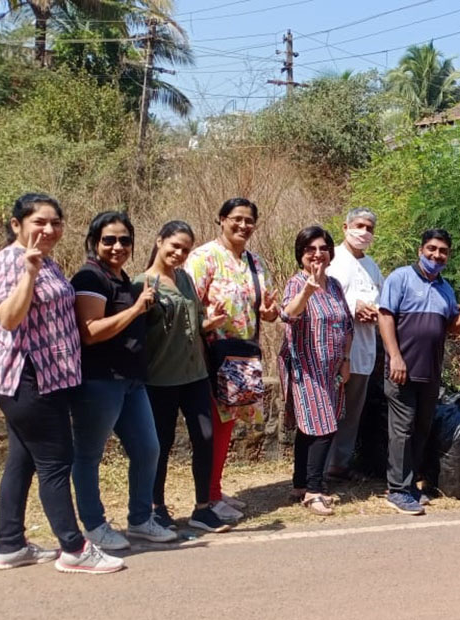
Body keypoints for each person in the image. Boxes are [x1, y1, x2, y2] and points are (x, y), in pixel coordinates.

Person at [0, 193, 123, 574]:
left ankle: (10, 544)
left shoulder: (49, 263)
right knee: (56, 462)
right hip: (27, 377)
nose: (48, 229)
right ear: (17, 225)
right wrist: (28, 272)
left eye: (55, 223)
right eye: (39, 222)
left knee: (23, 459)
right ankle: (74, 548)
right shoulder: (10, 262)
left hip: (48, 377)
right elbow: (9, 319)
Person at [69, 212, 177, 549]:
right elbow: (89, 332)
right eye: (109, 239)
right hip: (100, 381)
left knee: (148, 449)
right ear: (95, 241)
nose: (118, 246)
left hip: (131, 381)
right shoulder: (90, 277)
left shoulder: (120, 277)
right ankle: (95, 524)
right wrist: (135, 310)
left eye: (124, 240)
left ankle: (140, 520)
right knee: (88, 455)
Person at [378, 229, 460, 515]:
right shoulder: (400, 278)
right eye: (431, 248)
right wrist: (395, 357)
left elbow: (452, 327)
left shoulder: (446, 289)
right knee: (401, 430)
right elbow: (385, 315)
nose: (436, 255)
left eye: (442, 251)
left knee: (420, 429)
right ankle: (397, 489)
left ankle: (411, 484)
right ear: (420, 250)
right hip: (402, 369)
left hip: (430, 372)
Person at [185, 197, 280, 523]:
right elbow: (187, 308)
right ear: (221, 219)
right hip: (210, 356)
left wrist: (269, 313)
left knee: (227, 425)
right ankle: (207, 497)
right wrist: (205, 323)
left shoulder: (255, 262)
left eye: (249, 220)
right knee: (213, 426)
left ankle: (215, 489)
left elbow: (267, 309)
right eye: (236, 219)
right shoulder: (203, 258)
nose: (242, 226)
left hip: (242, 359)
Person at [136, 220, 230, 534]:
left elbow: (192, 325)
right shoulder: (143, 284)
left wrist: (211, 322)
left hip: (194, 375)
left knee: (205, 438)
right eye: (174, 245)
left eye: (185, 249)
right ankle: (156, 507)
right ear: (159, 241)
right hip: (160, 379)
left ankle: (202, 509)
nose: (178, 253)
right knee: (159, 446)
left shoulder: (186, 280)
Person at [279, 226, 354, 515]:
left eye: (323, 248)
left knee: (311, 428)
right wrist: (308, 291)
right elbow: (288, 314)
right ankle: (314, 490)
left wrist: (345, 359)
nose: (317, 254)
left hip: (331, 369)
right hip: (305, 368)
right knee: (323, 427)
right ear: (301, 254)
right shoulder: (297, 283)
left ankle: (299, 484)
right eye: (310, 249)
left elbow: (347, 325)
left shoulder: (334, 285)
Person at [325, 207, 384, 487]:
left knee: (351, 412)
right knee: (327, 408)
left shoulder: (372, 266)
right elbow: (324, 296)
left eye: (369, 228)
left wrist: (375, 312)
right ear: (345, 227)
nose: (364, 232)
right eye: (359, 225)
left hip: (364, 349)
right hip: (334, 350)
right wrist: (353, 307)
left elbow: (383, 301)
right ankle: (318, 468)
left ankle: (339, 465)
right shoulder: (332, 260)